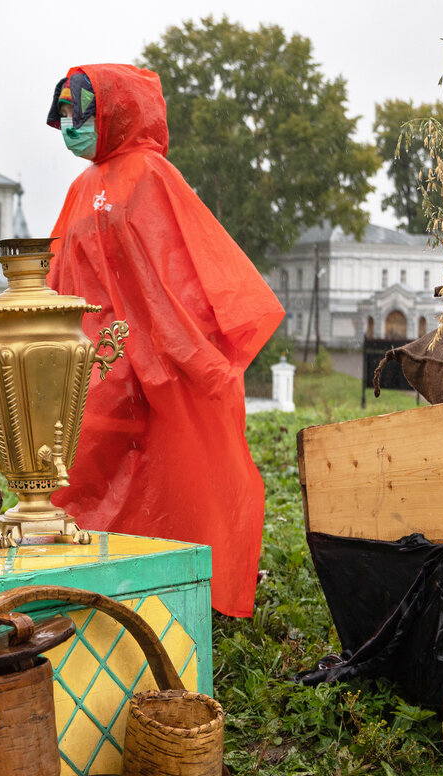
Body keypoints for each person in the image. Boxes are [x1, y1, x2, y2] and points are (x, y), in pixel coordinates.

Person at [46, 63, 285, 617]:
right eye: (63, 115)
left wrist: (180, 353)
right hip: (94, 368)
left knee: (168, 475)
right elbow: (58, 276)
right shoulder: (81, 190)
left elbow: (178, 272)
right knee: (87, 473)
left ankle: (170, 599)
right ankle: (88, 595)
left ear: (114, 112)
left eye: (81, 113)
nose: (69, 126)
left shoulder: (151, 176)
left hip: (150, 360)